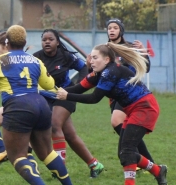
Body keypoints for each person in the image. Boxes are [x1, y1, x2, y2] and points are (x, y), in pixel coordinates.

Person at [0, 25, 73, 185]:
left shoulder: (0, 61)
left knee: (17, 156)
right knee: (47, 153)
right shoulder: (35, 60)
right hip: (41, 105)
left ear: (7, 42)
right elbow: (49, 84)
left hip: (18, 107)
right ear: (24, 42)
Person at [56, 42, 167, 185]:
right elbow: (78, 88)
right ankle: (158, 171)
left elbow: (94, 98)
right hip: (133, 110)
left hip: (144, 108)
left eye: (95, 57)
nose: (90, 60)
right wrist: (54, 91)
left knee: (127, 152)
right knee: (125, 153)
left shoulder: (110, 72)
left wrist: (66, 96)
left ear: (107, 59)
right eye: (91, 57)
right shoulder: (98, 73)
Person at [33, 29, 104, 178]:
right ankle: (95, 164)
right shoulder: (36, 58)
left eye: (50, 39)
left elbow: (84, 68)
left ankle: (60, 167)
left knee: (54, 124)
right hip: (46, 97)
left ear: (57, 42)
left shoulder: (65, 56)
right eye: (44, 39)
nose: (47, 42)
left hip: (65, 95)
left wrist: (77, 88)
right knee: (70, 135)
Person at [86, 18, 155, 165]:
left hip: (130, 92)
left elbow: (146, 68)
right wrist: (89, 66)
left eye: (115, 28)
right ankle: (145, 162)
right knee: (127, 135)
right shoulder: (104, 50)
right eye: (109, 27)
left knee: (117, 121)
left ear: (121, 31)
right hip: (114, 95)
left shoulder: (130, 47)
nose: (111, 30)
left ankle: (139, 159)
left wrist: (144, 54)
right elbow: (97, 75)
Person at [0, 32, 37, 171]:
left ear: (6, 45)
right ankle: (38, 172)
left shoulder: (4, 61)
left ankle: (2, 150)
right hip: (39, 107)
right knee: (29, 147)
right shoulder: (27, 59)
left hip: (21, 106)